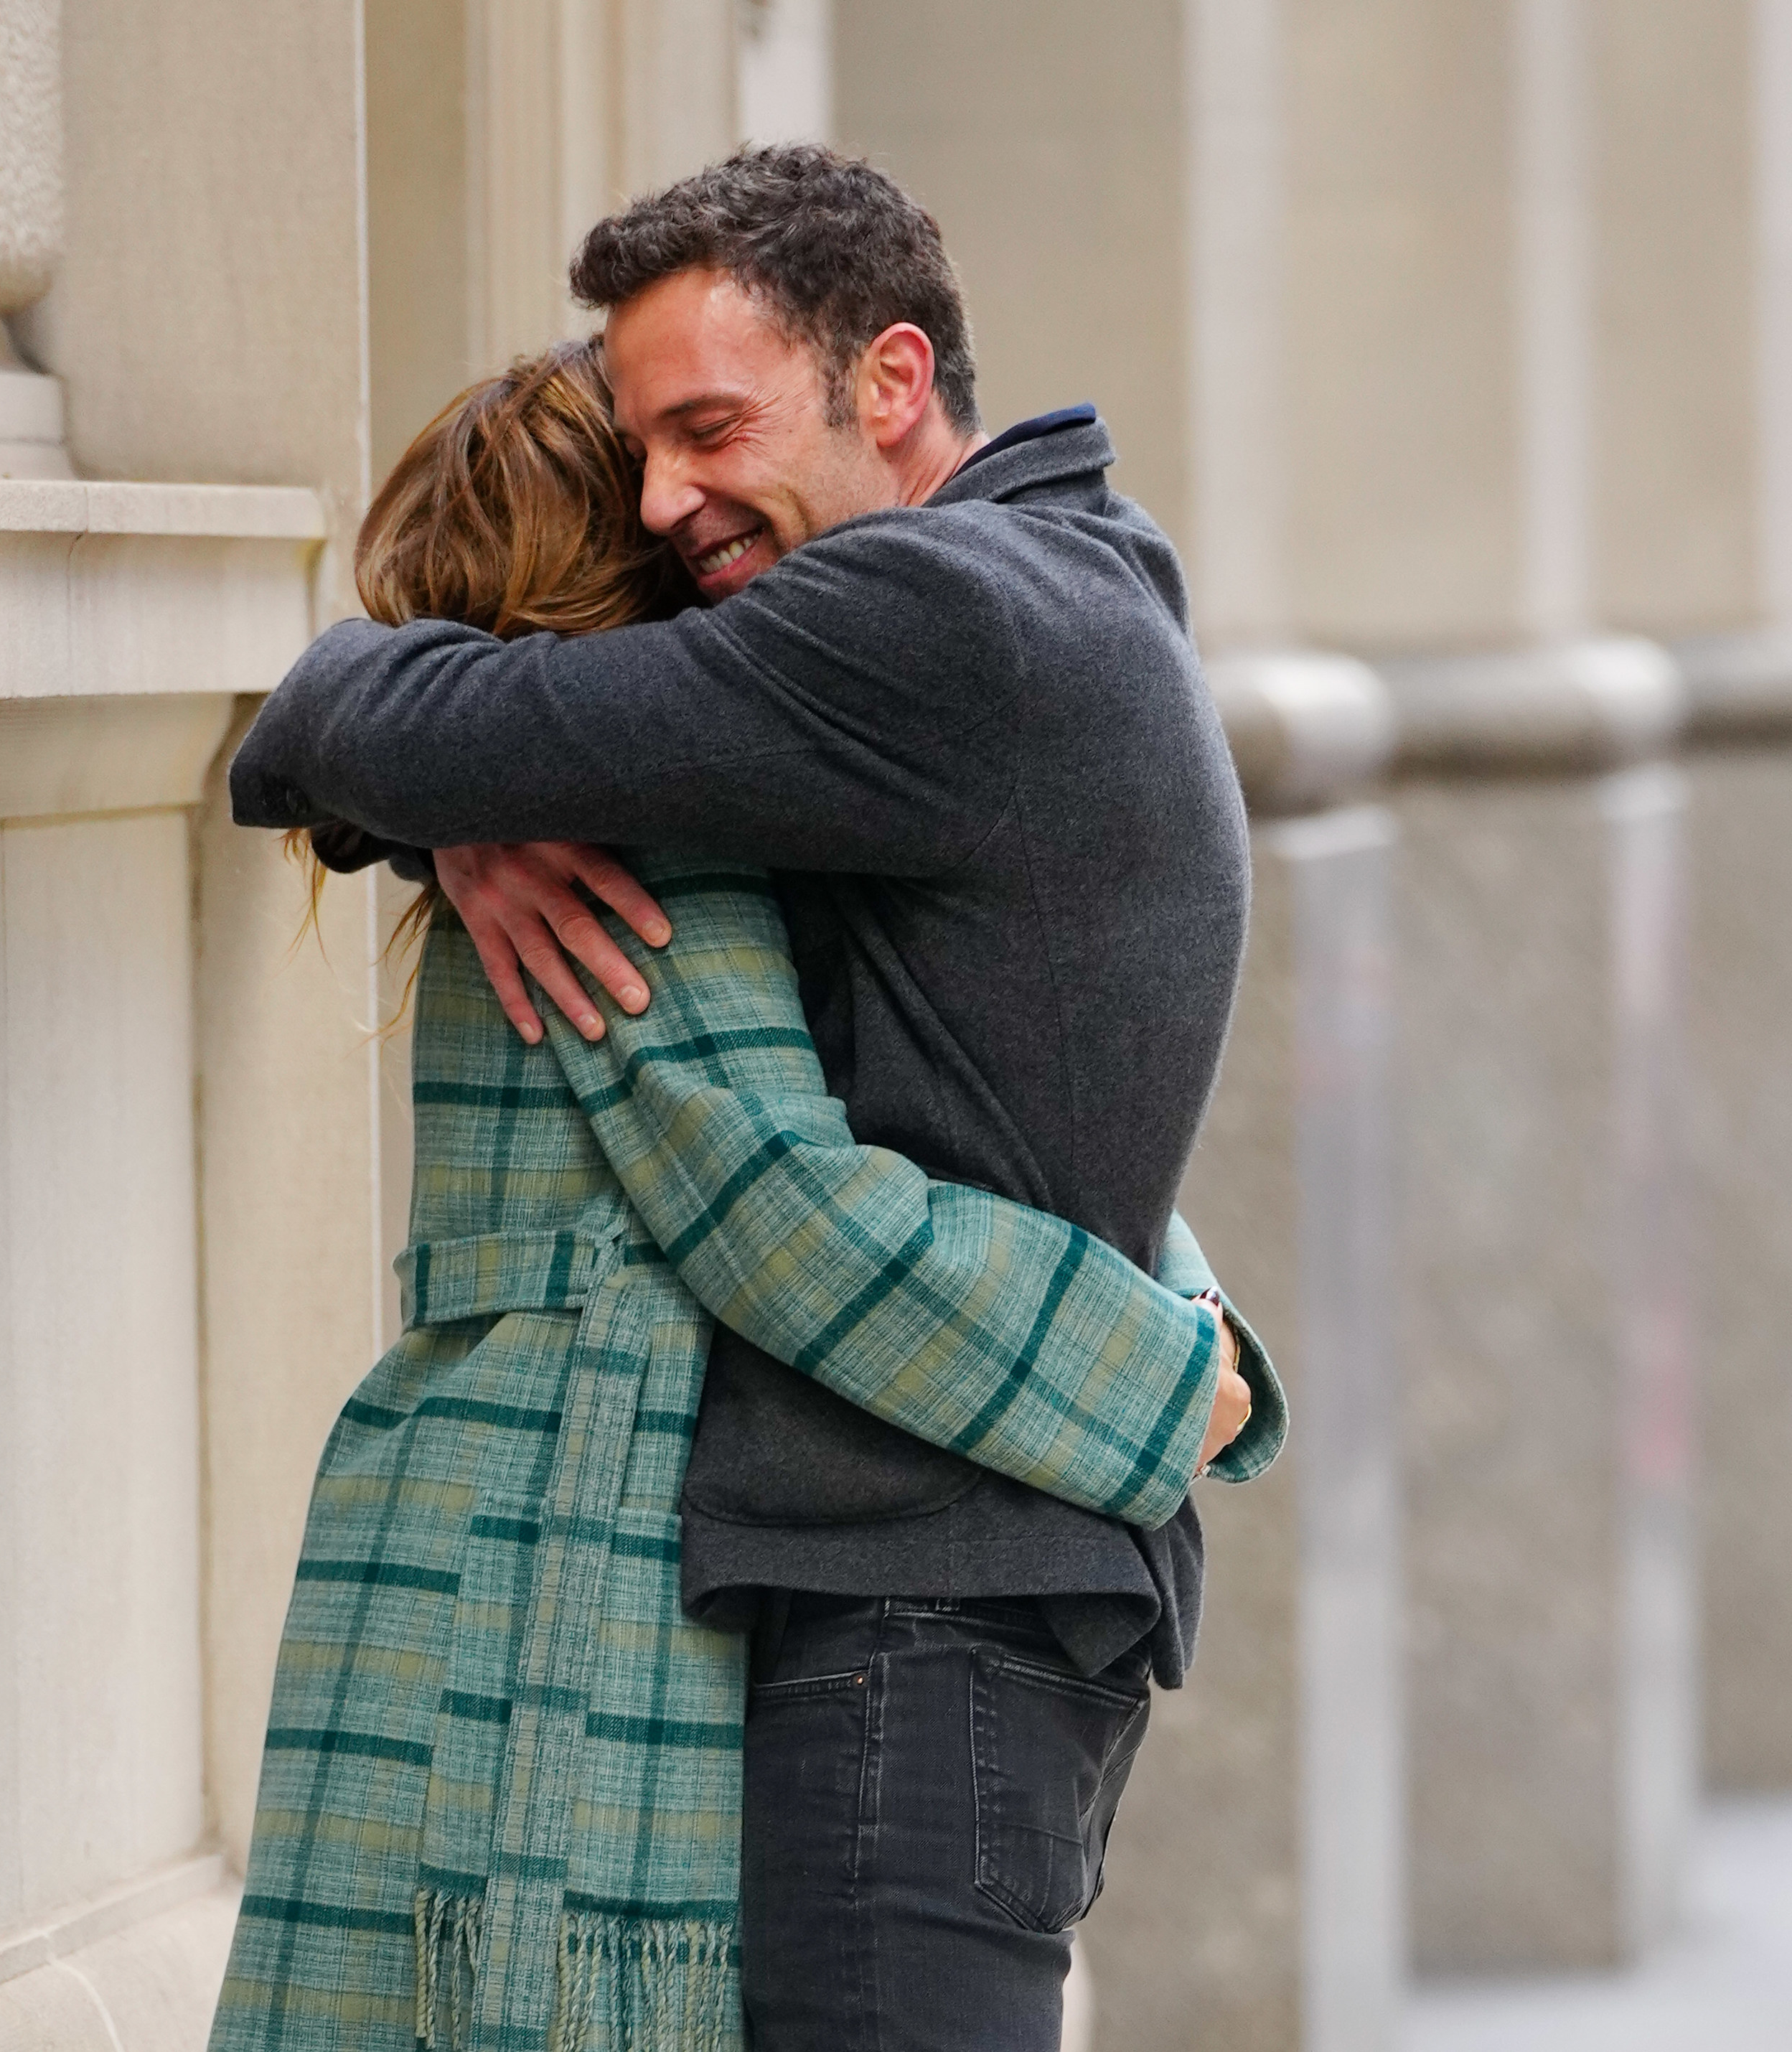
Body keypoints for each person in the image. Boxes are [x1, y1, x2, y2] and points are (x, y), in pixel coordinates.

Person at [230, 146, 1285, 2049]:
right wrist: (464, 815)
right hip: (939, 1593)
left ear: (890, 381)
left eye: (712, 427)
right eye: (639, 453)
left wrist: (1173, 1368)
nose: (667, 498)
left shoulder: (932, 617)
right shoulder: (1056, 581)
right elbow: (960, 1084)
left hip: (931, 1610)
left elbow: (359, 719)